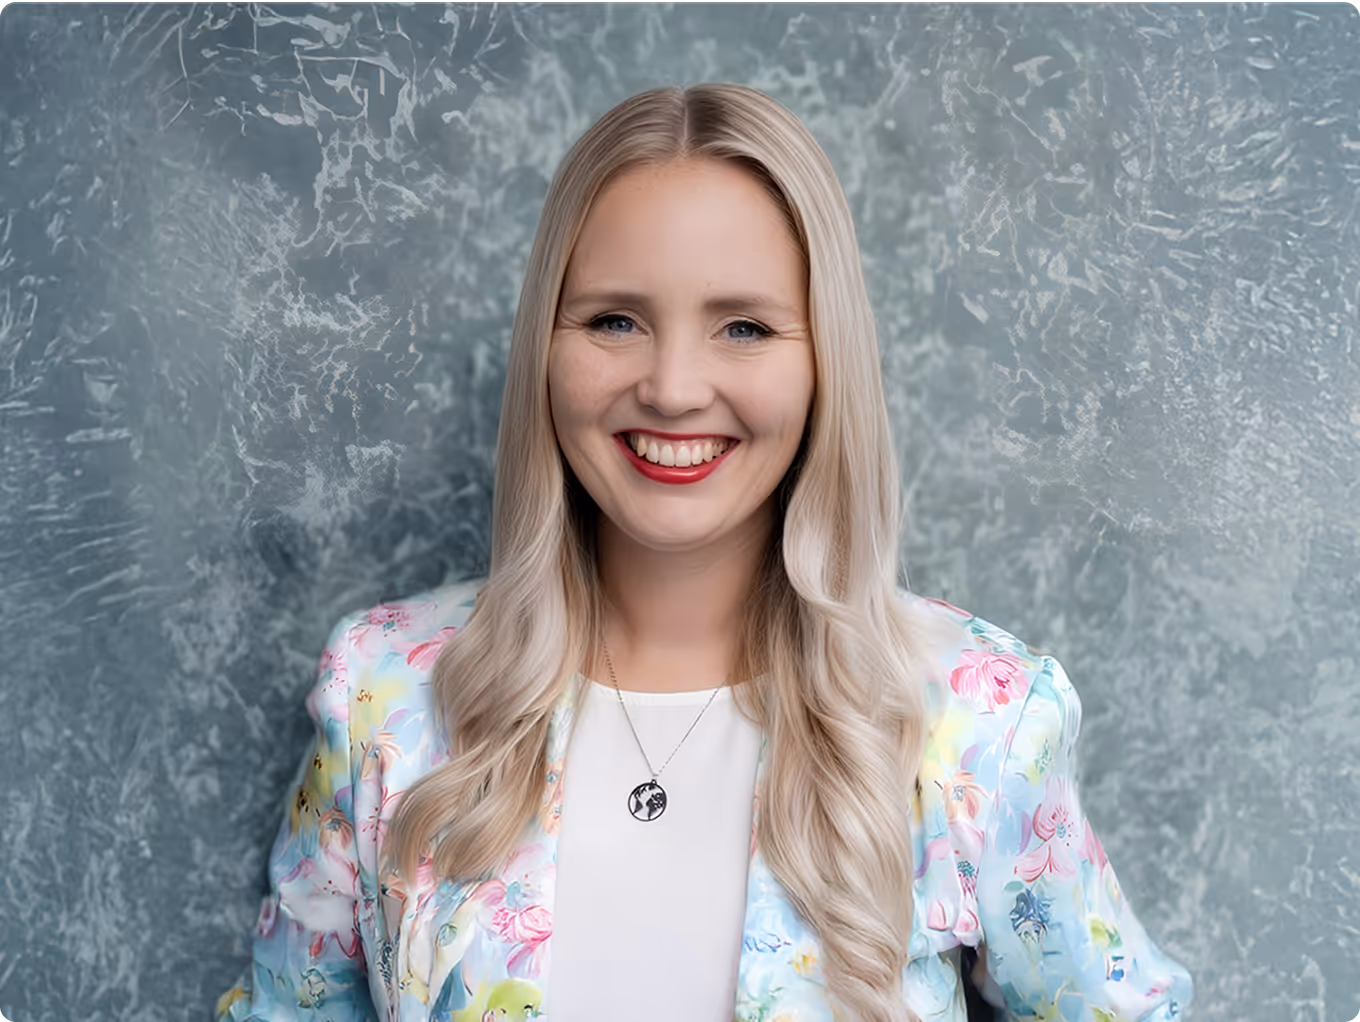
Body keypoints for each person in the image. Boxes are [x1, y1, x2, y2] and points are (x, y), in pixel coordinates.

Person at [215, 83, 1194, 1022]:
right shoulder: (385, 694)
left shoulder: (973, 718)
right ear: (543, 349)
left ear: (823, 360)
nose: (675, 387)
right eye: (614, 319)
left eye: (742, 326)